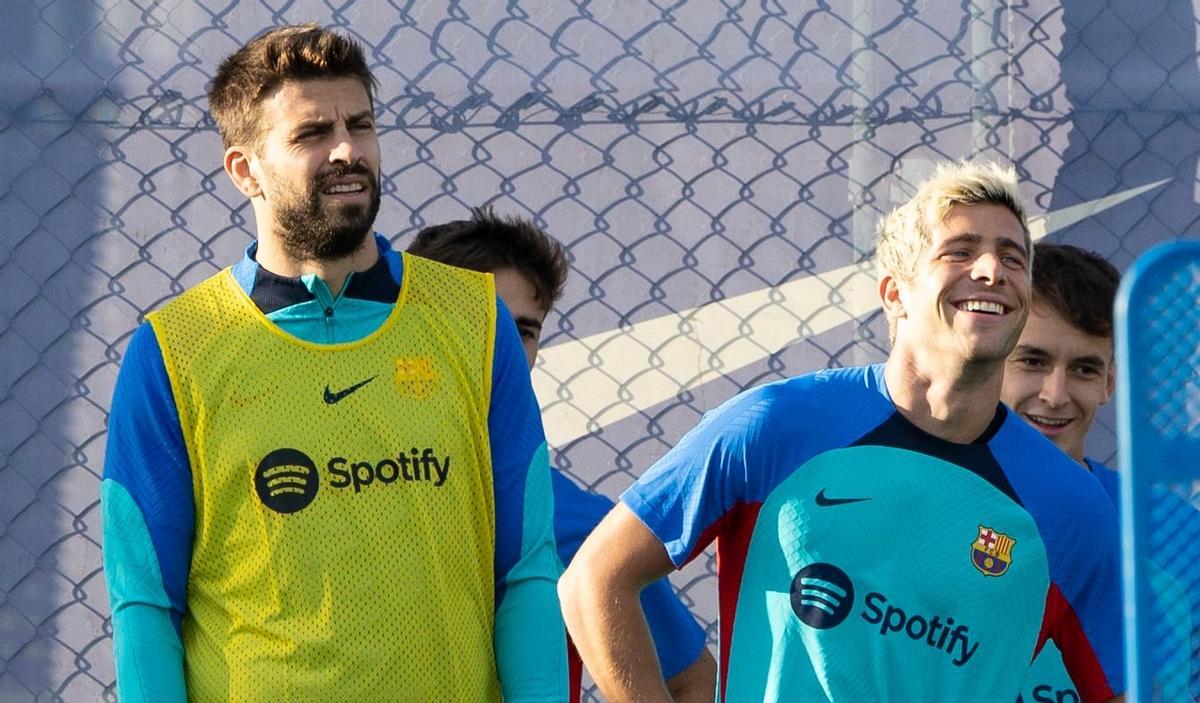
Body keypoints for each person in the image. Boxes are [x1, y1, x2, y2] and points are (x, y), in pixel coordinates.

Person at [100, 24, 565, 702]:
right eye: (311, 133)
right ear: (245, 170)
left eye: (361, 123)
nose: (348, 149)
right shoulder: (175, 349)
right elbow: (144, 603)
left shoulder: (473, 319)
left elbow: (524, 569)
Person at [559, 160, 1125, 702]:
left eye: (1012, 257)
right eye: (959, 252)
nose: (991, 271)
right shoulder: (776, 425)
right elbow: (594, 579)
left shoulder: (1070, 505)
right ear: (895, 294)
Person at [406, 207, 718, 702]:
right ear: (415, 328)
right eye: (480, 320)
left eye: (524, 331)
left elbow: (690, 677)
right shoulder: (346, 476)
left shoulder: (576, 520)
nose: (503, 347)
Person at [1003, 243, 1198, 702]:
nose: (1055, 394)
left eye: (1084, 369)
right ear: (992, 359)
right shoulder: (922, 507)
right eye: (1032, 361)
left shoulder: (1175, 534)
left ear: (1111, 380)